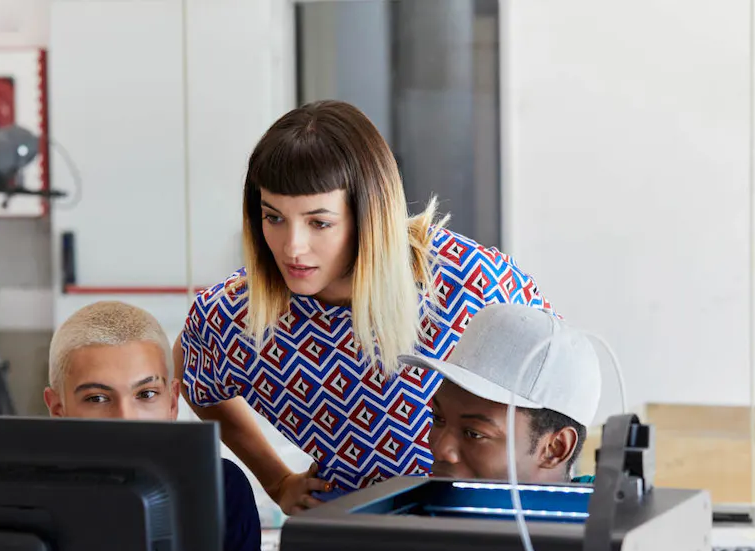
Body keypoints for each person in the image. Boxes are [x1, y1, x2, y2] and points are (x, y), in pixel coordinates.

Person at [175, 100, 553, 514]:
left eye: (319, 222)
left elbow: (559, 380)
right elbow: (191, 374)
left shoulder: (467, 278)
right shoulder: (234, 315)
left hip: (489, 526)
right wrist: (277, 480)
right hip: (353, 537)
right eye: (274, 217)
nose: (292, 247)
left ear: (369, 216)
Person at [45, 301, 275, 551]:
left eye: (146, 394)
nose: (126, 419)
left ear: (172, 403)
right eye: (97, 398)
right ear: (58, 409)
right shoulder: (23, 497)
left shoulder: (221, 491)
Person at [400, 304, 601, 484]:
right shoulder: (407, 515)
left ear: (555, 449)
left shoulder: (609, 522)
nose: (441, 448)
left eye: (474, 433)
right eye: (438, 419)